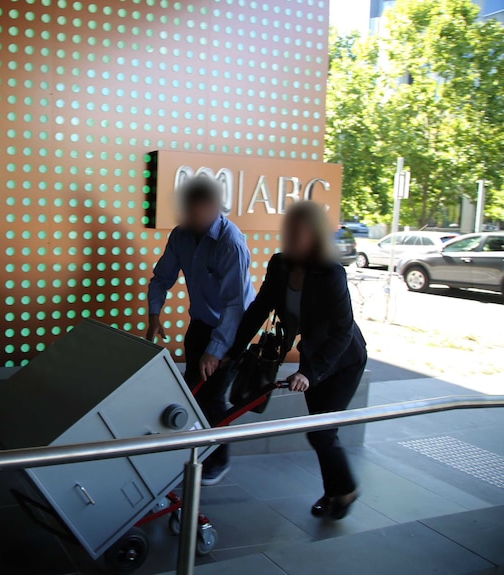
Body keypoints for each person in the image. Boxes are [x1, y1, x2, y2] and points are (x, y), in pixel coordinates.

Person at [228, 201, 367, 519]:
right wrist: (232, 351)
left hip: (342, 360)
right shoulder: (280, 264)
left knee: (320, 431)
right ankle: (338, 491)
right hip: (315, 358)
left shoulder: (331, 273)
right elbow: (259, 309)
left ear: (314, 235)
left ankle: (343, 491)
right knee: (320, 431)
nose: (291, 237)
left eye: (299, 232)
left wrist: (309, 373)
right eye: (289, 230)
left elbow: (343, 331)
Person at [147, 174, 255, 485]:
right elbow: (161, 278)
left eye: (193, 210)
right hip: (200, 325)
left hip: (232, 330)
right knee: (189, 392)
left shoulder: (230, 243)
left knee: (212, 397)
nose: (187, 217)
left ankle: (218, 460)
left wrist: (216, 350)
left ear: (211, 207)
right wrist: (155, 315)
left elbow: (236, 305)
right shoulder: (181, 236)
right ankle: (193, 453)